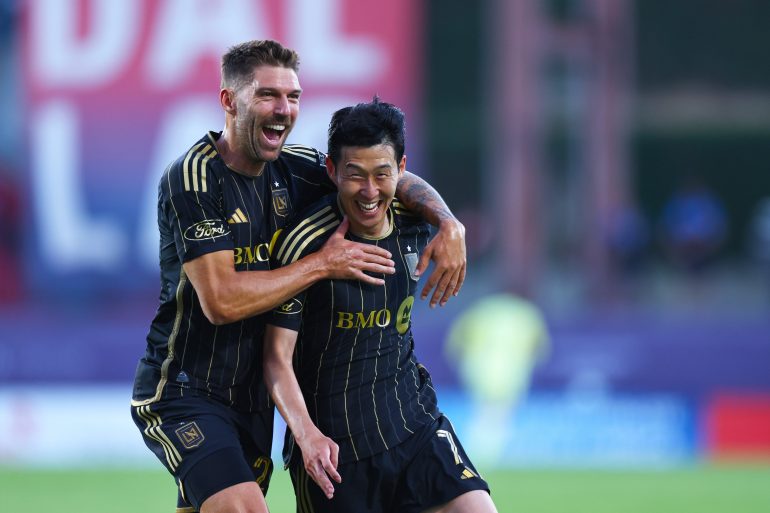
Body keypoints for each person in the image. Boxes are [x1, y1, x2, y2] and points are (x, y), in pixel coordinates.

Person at [130, 40, 467, 513]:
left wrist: (449, 223)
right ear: (229, 101)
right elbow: (221, 301)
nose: (283, 109)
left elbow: (384, 176)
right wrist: (321, 265)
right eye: (268, 95)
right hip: (188, 387)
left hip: (254, 398)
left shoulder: (300, 168)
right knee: (243, 508)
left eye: (293, 97)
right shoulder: (194, 177)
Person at [264, 97, 497, 513]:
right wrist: (306, 436)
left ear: (402, 169)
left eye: (382, 175)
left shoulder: (416, 219)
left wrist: (451, 223)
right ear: (332, 172)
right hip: (336, 452)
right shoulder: (305, 244)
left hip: (414, 425)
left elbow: (417, 197)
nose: (370, 192)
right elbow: (275, 359)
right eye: (355, 176)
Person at [445, 292, 549, 466]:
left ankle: (478, 453)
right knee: (499, 414)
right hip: (512, 371)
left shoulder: (481, 310)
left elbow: (454, 342)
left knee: (484, 412)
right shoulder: (527, 314)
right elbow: (541, 349)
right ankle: (487, 454)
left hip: (478, 368)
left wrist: (463, 363)